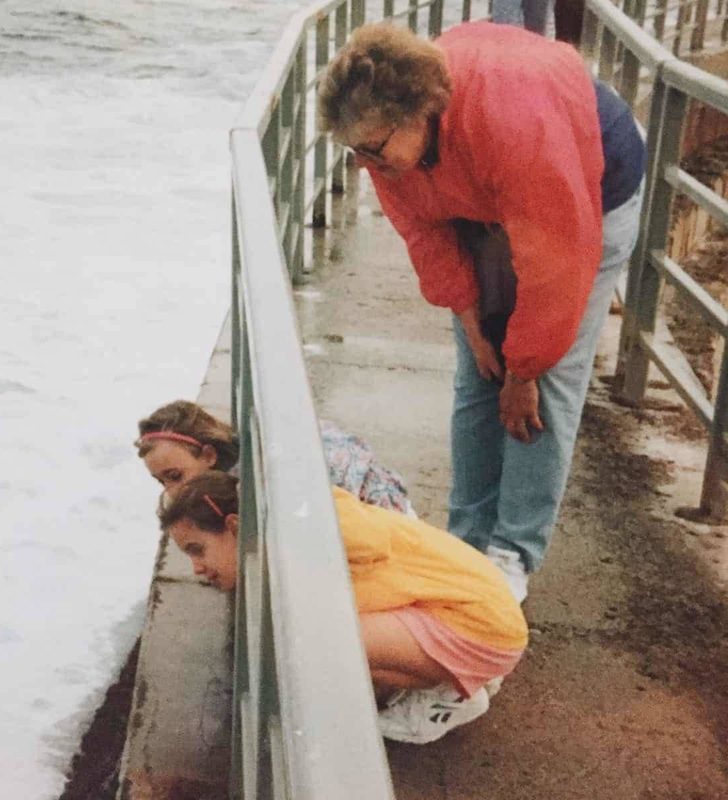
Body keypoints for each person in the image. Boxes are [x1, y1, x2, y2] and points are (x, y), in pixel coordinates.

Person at [317, 22, 647, 602]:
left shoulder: (512, 123)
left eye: (374, 148)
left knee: (547, 376)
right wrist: (472, 323)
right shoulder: (389, 151)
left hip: (589, 181)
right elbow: (426, 234)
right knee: (480, 368)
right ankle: (467, 539)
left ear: (420, 109)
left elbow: (554, 266)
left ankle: (512, 552)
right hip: (475, 188)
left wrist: (524, 371)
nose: (368, 163)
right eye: (356, 152)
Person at [159, 470, 528, 744]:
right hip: (482, 619)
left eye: (197, 549)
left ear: (235, 526)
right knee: (320, 637)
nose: (195, 568)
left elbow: (368, 540)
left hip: (483, 626)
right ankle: (454, 683)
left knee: (315, 640)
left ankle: (445, 694)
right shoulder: (286, 532)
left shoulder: (305, 529)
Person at [135, 400, 415, 514]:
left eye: (175, 476)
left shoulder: (251, 483)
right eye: (162, 482)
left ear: (208, 455)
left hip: (384, 517)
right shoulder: (254, 439)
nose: (172, 491)